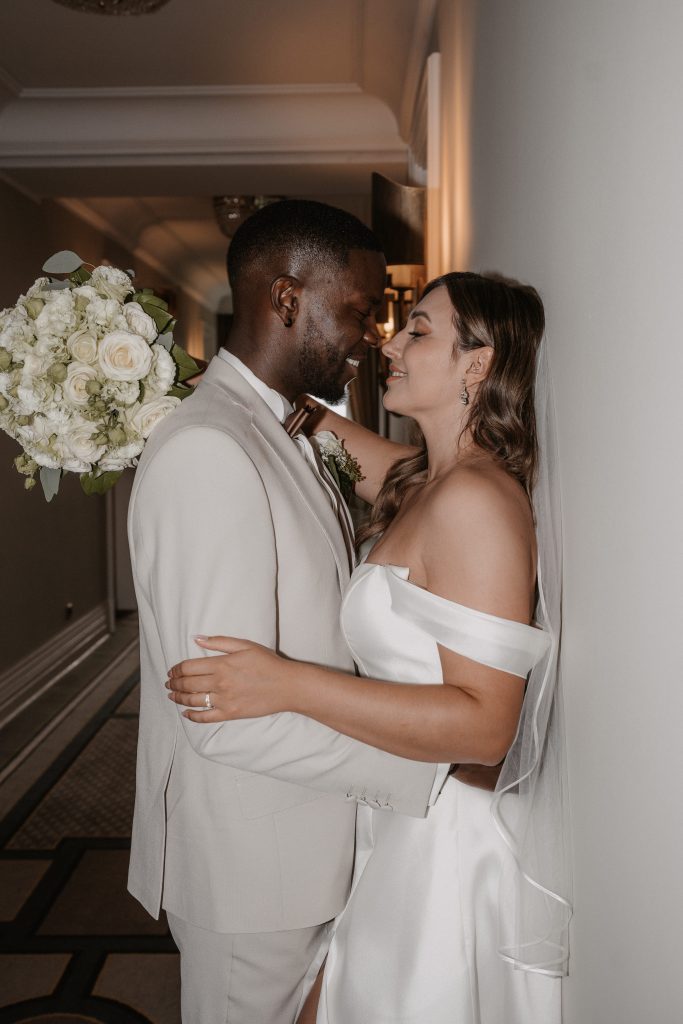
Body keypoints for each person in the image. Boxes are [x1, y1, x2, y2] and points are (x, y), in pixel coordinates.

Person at [166, 272, 571, 1023]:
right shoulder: (424, 482)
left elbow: (486, 727)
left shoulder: (477, 503)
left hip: (442, 849)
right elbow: (320, 428)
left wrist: (286, 684)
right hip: (392, 825)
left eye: (418, 330)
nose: (391, 342)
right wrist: (184, 375)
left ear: (477, 365)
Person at [127, 200, 448, 1024]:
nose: (370, 333)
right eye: (356, 309)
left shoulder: (287, 429)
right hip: (253, 869)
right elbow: (218, 713)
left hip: (305, 846)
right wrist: (430, 776)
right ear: (285, 299)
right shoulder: (209, 448)